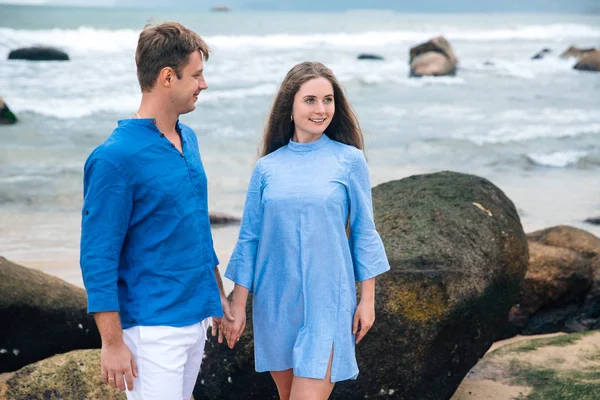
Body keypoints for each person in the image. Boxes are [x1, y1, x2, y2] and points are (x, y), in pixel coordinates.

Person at [79, 22, 232, 400]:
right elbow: (98, 257)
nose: (204, 84)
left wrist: (219, 298)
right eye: (196, 75)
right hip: (151, 330)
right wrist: (112, 344)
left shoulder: (188, 139)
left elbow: (196, 227)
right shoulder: (113, 159)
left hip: (196, 317)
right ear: (168, 77)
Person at [222, 61, 390, 400]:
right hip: (275, 303)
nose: (321, 109)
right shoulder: (267, 168)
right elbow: (250, 239)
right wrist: (238, 304)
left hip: (328, 301)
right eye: (310, 100)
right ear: (290, 106)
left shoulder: (349, 160)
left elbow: (364, 232)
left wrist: (367, 300)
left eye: (328, 100)